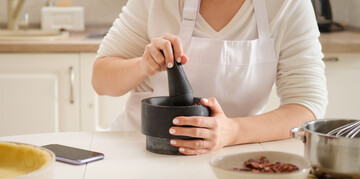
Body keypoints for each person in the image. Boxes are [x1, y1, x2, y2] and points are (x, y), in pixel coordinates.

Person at [92, 0, 327, 155]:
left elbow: (307, 105)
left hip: (231, 163)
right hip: (139, 155)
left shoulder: (287, 4)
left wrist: (232, 131)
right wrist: (143, 65)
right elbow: (101, 80)